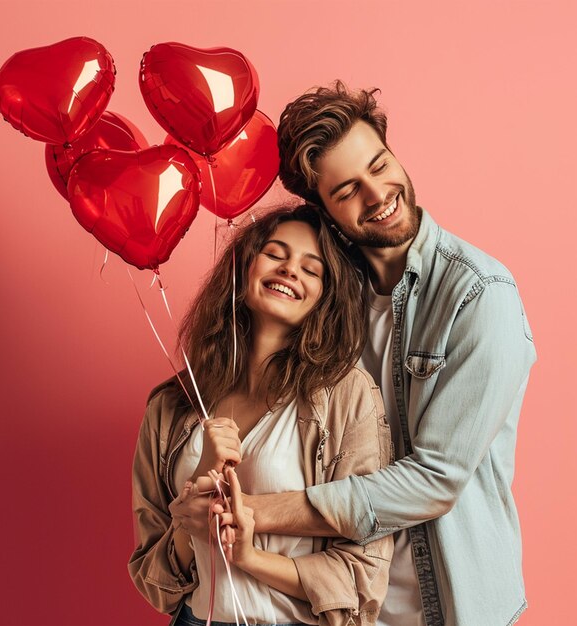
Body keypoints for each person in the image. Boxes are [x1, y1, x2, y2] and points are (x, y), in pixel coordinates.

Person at [178, 83, 537, 626]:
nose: (378, 194)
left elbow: (436, 478)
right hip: (342, 606)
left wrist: (249, 511)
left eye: (380, 165)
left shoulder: (479, 294)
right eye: (347, 190)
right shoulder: (327, 300)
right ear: (324, 209)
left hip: (446, 604)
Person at [128, 205, 394, 626]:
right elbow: (153, 581)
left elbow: (363, 578)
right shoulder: (171, 405)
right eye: (275, 253)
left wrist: (251, 558)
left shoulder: (348, 395)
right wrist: (190, 522)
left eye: (312, 269)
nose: (290, 270)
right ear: (244, 267)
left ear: (326, 296)